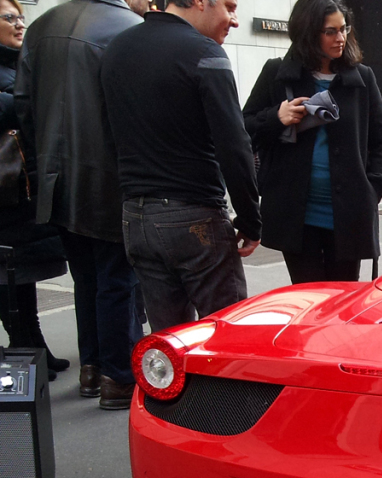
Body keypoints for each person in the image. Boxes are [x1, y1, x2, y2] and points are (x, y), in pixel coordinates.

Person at [101, 0, 261, 341]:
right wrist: (250, 218)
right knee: (226, 336)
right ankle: (224, 398)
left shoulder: (117, 48)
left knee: (170, 342)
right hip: (194, 213)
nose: (233, 20)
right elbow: (234, 145)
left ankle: (172, 396)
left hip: (136, 214)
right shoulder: (204, 53)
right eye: (229, 6)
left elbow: (107, 133)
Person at [15, 0, 147, 406]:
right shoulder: (128, 27)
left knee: (87, 278)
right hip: (109, 176)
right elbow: (137, 113)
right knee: (116, 280)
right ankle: (117, 375)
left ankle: (92, 369)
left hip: (57, 176)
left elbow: (25, 107)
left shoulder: (42, 26)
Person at [242, 0, 382, 285]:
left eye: (344, 29)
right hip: (296, 215)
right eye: (330, 31)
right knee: (307, 301)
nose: (340, 38)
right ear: (309, 32)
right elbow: (244, 128)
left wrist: (372, 190)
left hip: (348, 214)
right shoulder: (277, 74)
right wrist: (277, 116)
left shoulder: (362, 78)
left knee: (341, 304)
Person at [0, 0, 68, 377]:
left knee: (21, 273)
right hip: (5, 191)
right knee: (6, 275)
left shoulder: (17, 65)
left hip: (21, 188)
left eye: (21, 17)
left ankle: (33, 345)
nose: (19, 24)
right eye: (9, 18)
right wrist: (25, 100)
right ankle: (23, 348)